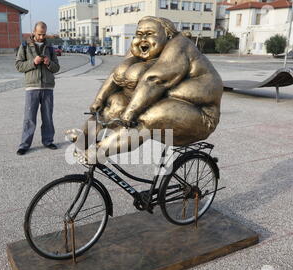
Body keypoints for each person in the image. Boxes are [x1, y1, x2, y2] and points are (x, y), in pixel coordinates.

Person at [66, 16, 222, 164]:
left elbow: (155, 80)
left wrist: (131, 112)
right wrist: (99, 100)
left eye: (149, 34)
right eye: (139, 34)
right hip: (166, 101)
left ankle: (99, 152)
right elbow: (116, 74)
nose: (142, 39)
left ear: (167, 35)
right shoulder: (140, 49)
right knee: (114, 104)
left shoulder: (179, 45)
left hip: (201, 114)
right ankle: (84, 140)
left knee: (148, 117)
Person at [15, 21, 60, 155]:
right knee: (29, 118)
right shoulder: (24, 46)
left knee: (47, 117)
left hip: (48, 88)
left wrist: (49, 63)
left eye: (44, 34)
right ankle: (24, 145)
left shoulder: (50, 48)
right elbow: (18, 65)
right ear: (33, 32)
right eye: (39, 34)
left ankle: (48, 141)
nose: (41, 37)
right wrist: (33, 62)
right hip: (32, 87)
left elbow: (56, 67)